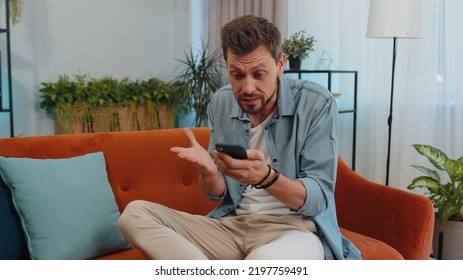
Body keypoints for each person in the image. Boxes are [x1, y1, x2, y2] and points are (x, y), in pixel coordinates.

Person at [118, 15, 361, 260]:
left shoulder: (315, 103)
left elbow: (318, 199)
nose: (247, 88)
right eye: (237, 75)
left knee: (261, 262)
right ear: (227, 68)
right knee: (133, 215)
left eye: (258, 74)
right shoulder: (222, 102)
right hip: (232, 226)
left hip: (293, 229)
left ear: (280, 64)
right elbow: (217, 193)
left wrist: (265, 177)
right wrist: (209, 172)